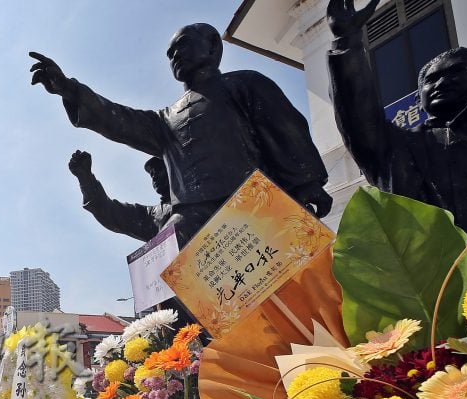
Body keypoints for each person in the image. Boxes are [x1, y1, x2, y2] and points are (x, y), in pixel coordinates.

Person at [30, 23, 332, 247]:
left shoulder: (245, 84)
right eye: (169, 53)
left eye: (182, 45)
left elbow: (285, 129)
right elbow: (117, 119)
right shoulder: (165, 120)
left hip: (253, 206)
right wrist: (69, 89)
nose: (175, 55)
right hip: (194, 223)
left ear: (213, 45)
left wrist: (305, 182)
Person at [326, 0, 467, 238]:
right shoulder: (399, 148)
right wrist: (346, 43)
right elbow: (359, 117)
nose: (441, 83)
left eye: (456, 72)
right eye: (431, 80)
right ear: (420, 100)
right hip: (437, 271)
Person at [69, 150, 173, 241]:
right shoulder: (153, 216)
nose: (154, 177)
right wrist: (85, 178)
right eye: (152, 174)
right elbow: (109, 212)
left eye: (159, 170)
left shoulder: (187, 199)